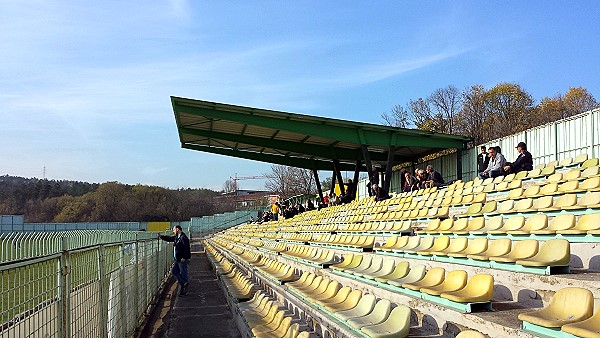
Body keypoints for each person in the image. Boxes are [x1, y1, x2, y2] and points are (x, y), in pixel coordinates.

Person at [159, 225, 191, 295]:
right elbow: (170, 238)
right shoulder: (178, 237)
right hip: (178, 259)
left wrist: (184, 257)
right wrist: (161, 237)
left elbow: (186, 248)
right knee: (174, 271)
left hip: (181, 259)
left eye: (173, 230)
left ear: (177, 229)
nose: (173, 231)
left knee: (183, 273)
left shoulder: (183, 237)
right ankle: (184, 283)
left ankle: (183, 290)